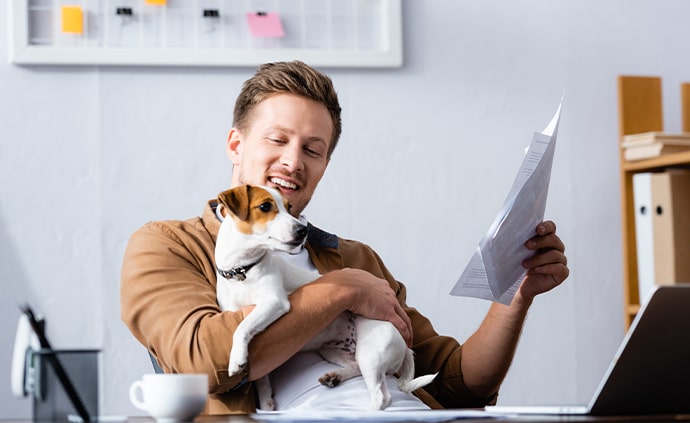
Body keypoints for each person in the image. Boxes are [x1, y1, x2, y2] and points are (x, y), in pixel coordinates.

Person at [120, 61, 569, 414]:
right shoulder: (166, 246)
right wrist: (343, 290)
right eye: (277, 140)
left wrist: (515, 293)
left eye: (313, 150)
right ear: (236, 146)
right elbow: (204, 362)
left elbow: (459, 385)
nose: (294, 162)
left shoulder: (355, 258)